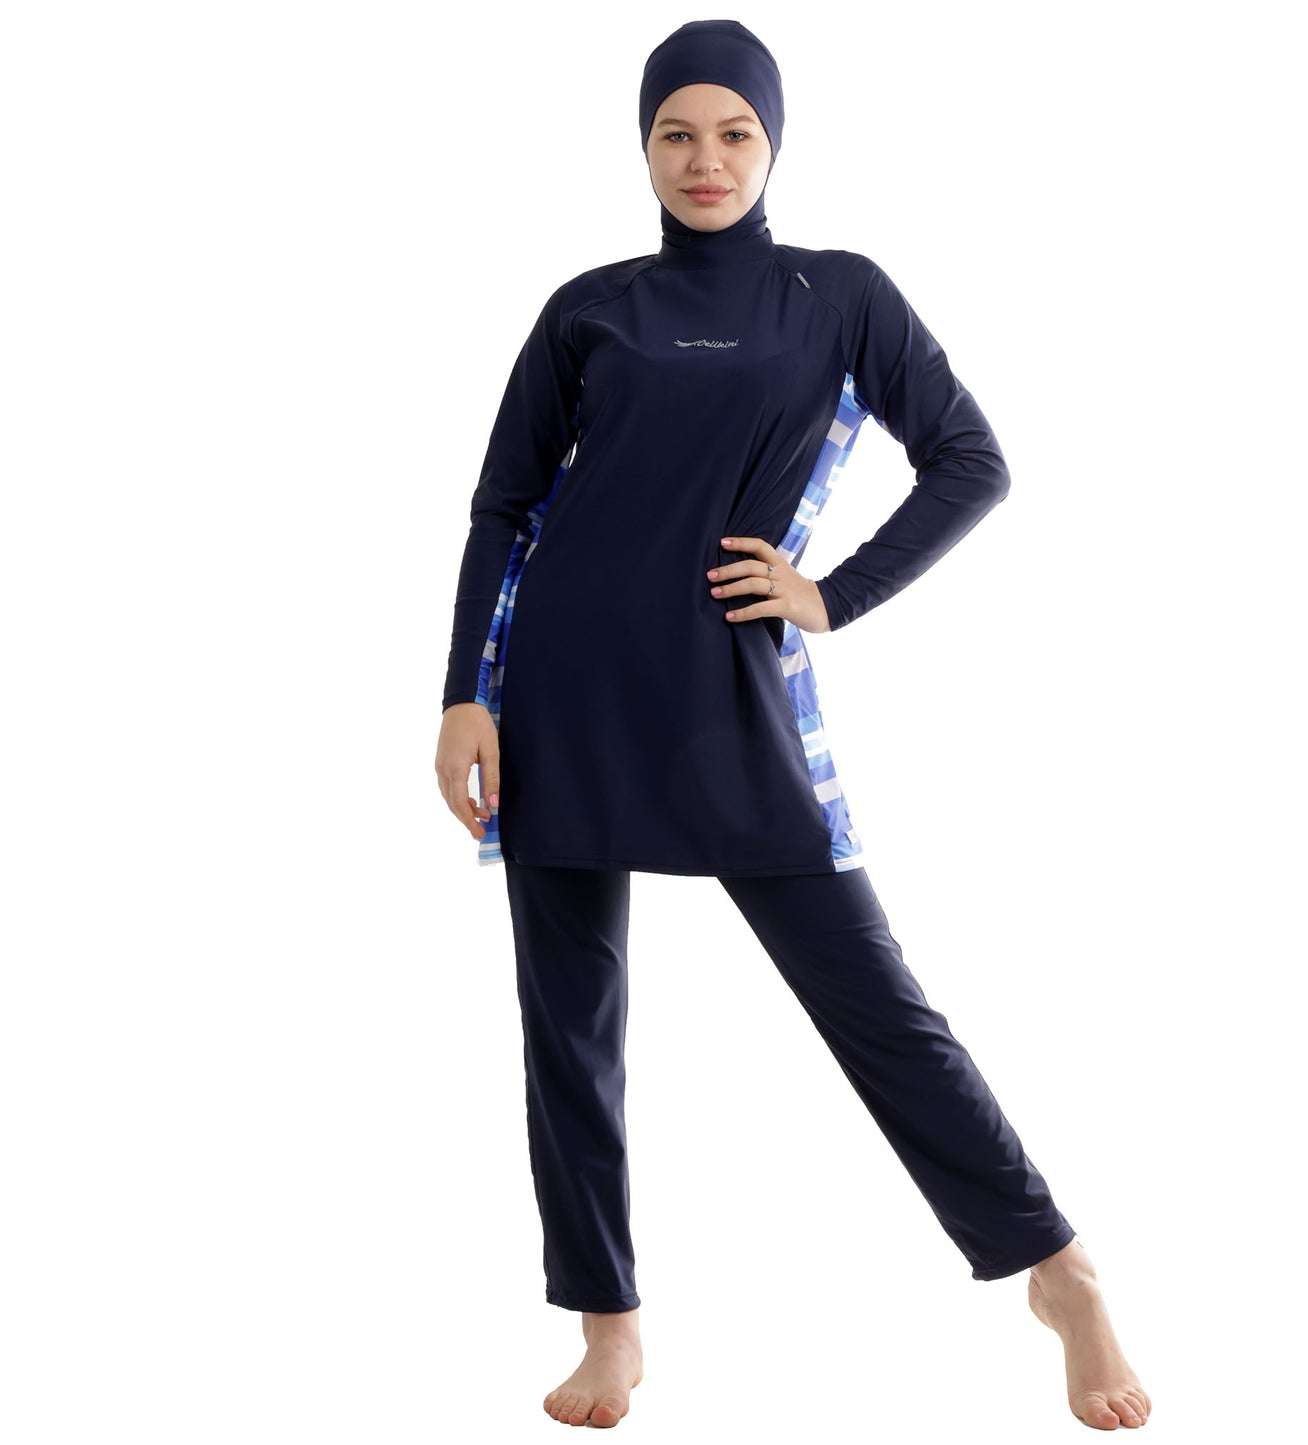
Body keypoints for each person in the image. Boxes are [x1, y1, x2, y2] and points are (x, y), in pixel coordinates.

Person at [434, 18, 1152, 1433]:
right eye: (676, 133)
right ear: (642, 146)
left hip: (724, 700)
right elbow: (503, 506)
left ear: (773, 144)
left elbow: (971, 460)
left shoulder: (836, 294)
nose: (705, 160)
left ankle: (1055, 1268)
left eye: (735, 133)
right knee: (568, 1023)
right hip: (559, 695)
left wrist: (834, 595)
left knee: (872, 999)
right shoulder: (587, 307)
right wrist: (466, 691)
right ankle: (608, 1324)